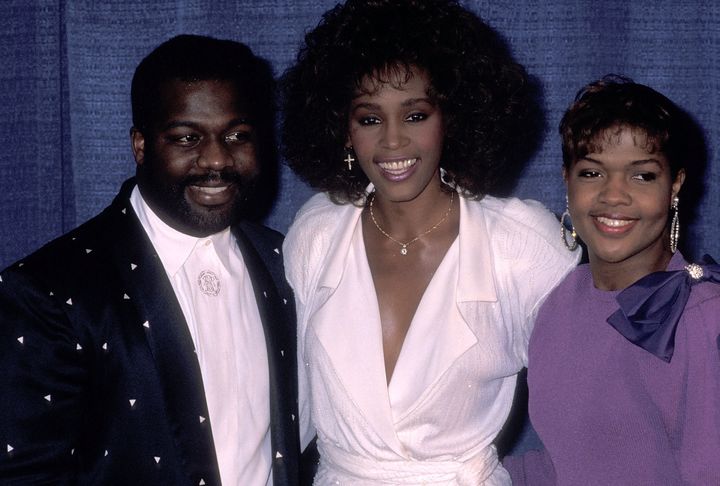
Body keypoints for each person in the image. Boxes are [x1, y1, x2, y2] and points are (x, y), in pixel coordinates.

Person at [280, 1, 579, 483]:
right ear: (343, 128)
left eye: (415, 115)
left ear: (453, 117)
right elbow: (292, 409)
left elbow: (596, 410)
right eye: (370, 119)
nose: (393, 142)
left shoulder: (523, 245)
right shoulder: (317, 232)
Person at [0, 35, 301, 485]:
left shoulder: (286, 262)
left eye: (237, 135)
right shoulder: (49, 292)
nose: (217, 158)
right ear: (140, 145)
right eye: (187, 138)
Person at [508, 76, 720, 485]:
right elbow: (563, 466)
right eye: (592, 173)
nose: (614, 196)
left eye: (642, 176)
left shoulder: (702, 317)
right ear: (566, 179)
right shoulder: (559, 301)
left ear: (675, 184)